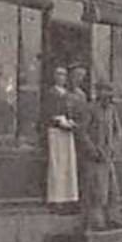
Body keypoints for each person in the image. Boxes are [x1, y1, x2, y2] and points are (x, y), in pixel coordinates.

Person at [78, 80, 122, 231]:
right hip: (94, 158)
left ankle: (113, 218)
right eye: (104, 91)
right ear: (98, 92)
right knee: (97, 190)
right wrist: (93, 150)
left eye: (109, 91)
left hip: (108, 157)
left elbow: (118, 131)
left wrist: (114, 148)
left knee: (112, 190)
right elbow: (82, 132)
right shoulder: (90, 109)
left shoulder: (112, 110)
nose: (107, 95)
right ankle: (96, 222)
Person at [44, 65, 79, 205]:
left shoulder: (68, 94)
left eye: (63, 75)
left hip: (67, 133)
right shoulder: (51, 93)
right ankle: (55, 199)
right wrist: (59, 121)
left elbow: (71, 111)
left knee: (67, 165)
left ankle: (68, 198)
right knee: (56, 164)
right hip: (56, 132)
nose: (61, 77)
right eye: (58, 74)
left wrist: (71, 121)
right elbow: (49, 113)